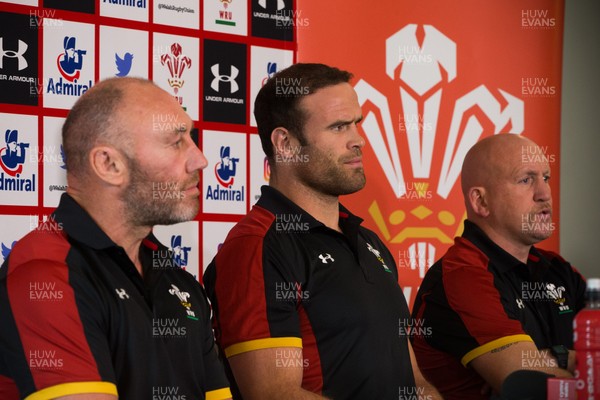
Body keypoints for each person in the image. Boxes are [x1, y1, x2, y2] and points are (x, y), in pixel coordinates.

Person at [203, 63, 440, 399]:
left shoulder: (369, 242)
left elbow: (413, 381)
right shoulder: (257, 246)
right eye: (339, 127)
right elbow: (275, 395)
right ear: (284, 143)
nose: (358, 140)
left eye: (356, 124)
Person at [0, 77, 232, 400]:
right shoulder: (46, 275)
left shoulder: (178, 280)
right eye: (176, 142)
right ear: (108, 164)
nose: (200, 159)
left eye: (190, 139)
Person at [411, 134, 586, 399]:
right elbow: (529, 387)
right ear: (481, 201)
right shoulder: (464, 275)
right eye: (526, 180)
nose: (544, 194)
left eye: (546, 178)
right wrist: (580, 365)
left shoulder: (559, 270)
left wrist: (555, 357)